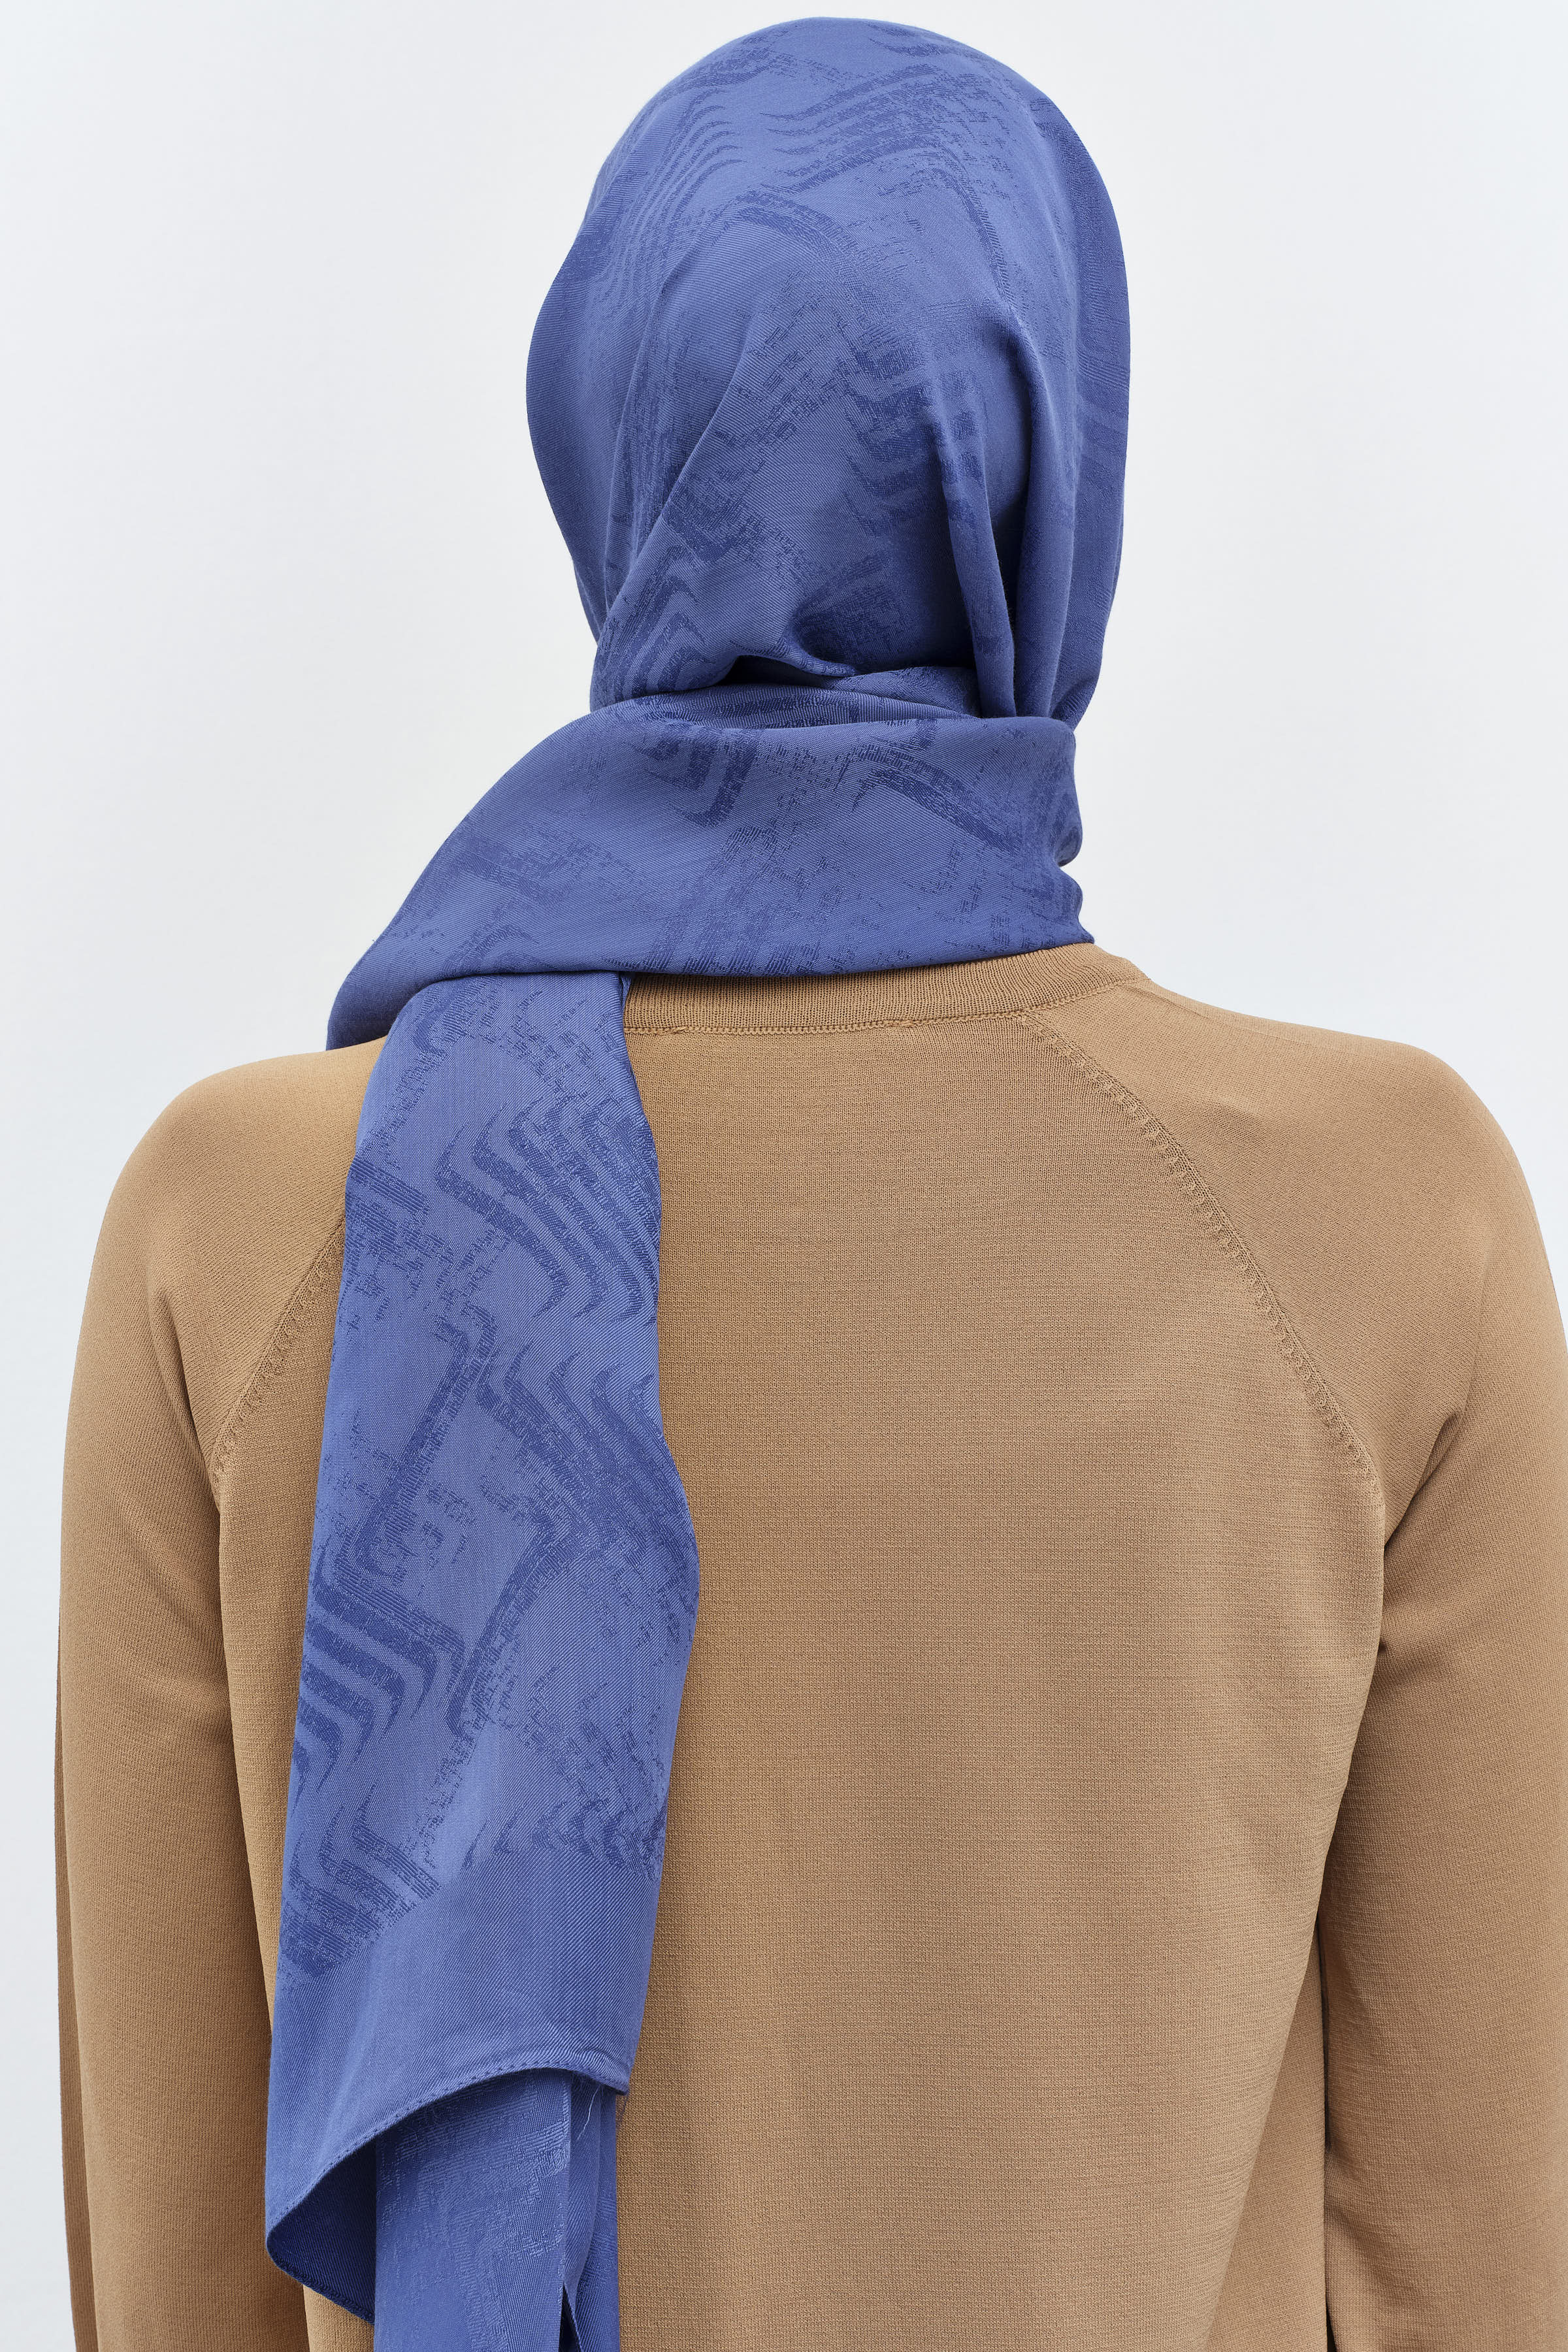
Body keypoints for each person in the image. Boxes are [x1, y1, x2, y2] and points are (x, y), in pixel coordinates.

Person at [56, 18, 1567, 2352]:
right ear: (1057, 477)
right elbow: (1472, 2266)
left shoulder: (234, 1227)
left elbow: (178, 2287)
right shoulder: (1387, 1221)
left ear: (604, 450)